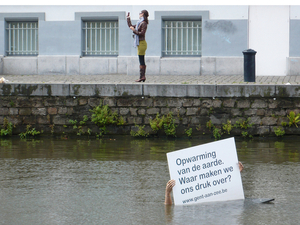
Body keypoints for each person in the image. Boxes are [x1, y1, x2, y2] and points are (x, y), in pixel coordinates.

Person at [164, 161, 244, 205]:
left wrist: (235, 174)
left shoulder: (212, 192)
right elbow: (168, 209)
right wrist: (167, 193)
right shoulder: (186, 199)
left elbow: (222, 187)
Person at [127, 10, 149, 82]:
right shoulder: (139, 23)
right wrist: (128, 18)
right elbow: (131, 26)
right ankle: (142, 76)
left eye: (140, 13)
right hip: (140, 43)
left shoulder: (144, 23)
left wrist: (134, 30)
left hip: (142, 43)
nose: (139, 14)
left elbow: (142, 33)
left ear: (142, 14)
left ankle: (142, 76)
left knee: (141, 60)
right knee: (141, 60)